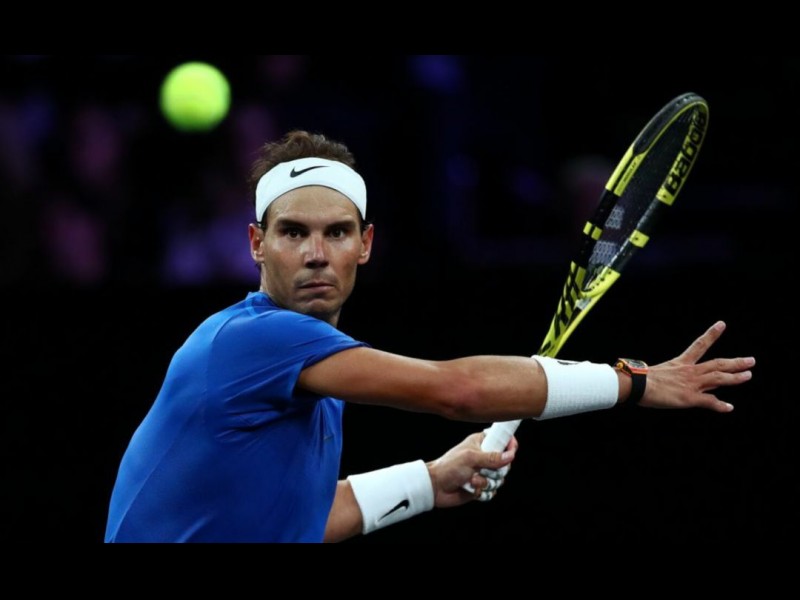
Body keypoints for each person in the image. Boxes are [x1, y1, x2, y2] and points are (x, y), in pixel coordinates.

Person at [104, 130, 755, 543]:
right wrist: (633, 382)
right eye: (293, 232)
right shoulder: (250, 342)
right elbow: (459, 391)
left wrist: (430, 481)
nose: (315, 254)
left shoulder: (310, 375)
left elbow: (300, 519)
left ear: (366, 244)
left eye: (337, 233)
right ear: (256, 243)